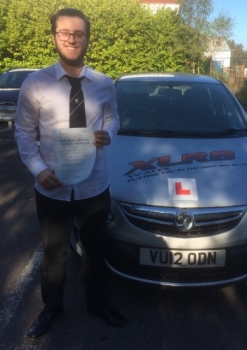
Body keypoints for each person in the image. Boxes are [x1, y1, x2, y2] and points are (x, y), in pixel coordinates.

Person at [14, 8, 126, 338]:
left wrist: (110, 133)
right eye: (64, 32)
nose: (72, 39)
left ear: (87, 39)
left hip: (94, 185)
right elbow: (22, 132)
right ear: (53, 37)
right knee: (54, 254)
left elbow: (113, 119)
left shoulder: (104, 84)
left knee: (94, 250)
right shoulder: (35, 84)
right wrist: (38, 169)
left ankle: (97, 303)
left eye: (79, 33)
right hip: (52, 186)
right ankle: (52, 309)